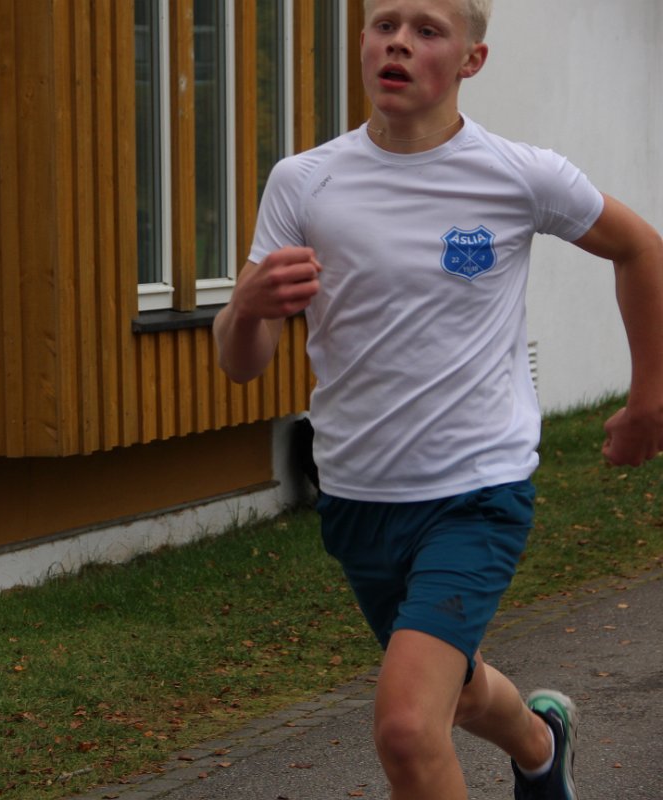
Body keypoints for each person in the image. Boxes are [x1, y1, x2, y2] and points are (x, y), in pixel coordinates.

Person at [213, 0, 663, 798]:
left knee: (407, 727)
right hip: (356, 497)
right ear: (362, 42)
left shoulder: (518, 173)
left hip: (476, 493)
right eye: (384, 24)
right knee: (452, 689)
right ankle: (541, 745)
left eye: (427, 30)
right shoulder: (304, 181)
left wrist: (650, 400)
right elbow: (242, 365)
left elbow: (640, 248)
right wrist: (245, 307)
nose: (399, 43)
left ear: (470, 61)